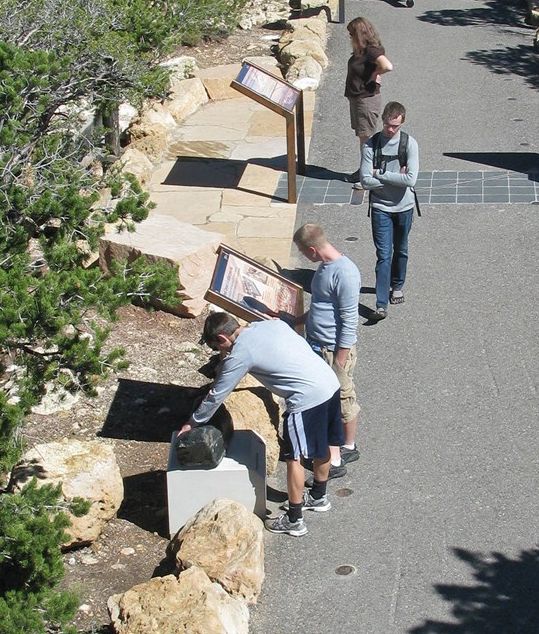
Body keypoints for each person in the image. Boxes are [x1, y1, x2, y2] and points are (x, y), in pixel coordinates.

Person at [178, 311, 344, 537]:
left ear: (223, 339)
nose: (222, 353)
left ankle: (294, 520)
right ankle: (318, 496)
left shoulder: (240, 353)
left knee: (294, 456)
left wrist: (192, 422)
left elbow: (217, 394)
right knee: (321, 444)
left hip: (306, 398)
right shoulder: (267, 325)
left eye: (219, 348)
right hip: (329, 383)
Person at [292, 224, 362, 474]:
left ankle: (346, 448)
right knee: (327, 399)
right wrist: (295, 321)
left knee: (342, 398)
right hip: (319, 345)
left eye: (302, 251)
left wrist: (340, 360)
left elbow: (349, 319)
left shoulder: (346, 273)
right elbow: (321, 307)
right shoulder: (324, 267)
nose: (303, 256)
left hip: (334, 350)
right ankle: (337, 446)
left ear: (312, 249)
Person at [360, 101, 419, 320]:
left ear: (402, 122)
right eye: (387, 125)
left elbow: (411, 179)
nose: (390, 130)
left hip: (404, 207)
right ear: (383, 120)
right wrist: (397, 178)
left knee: (401, 249)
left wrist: (380, 174)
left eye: (395, 126)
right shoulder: (371, 145)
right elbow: (364, 181)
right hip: (380, 208)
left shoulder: (409, 144)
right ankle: (381, 303)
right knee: (384, 255)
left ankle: (398, 285)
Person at [343, 17, 393, 185]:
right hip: (358, 99)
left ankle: (367, 173)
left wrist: (374, 75)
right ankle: (366, 169)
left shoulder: (371, 51)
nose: (350, 38)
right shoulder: (362, 51)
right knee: (363, 137)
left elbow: (387, 66)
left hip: (366, 100)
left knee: (366, 138)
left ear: (360, 34)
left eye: (352, 34)